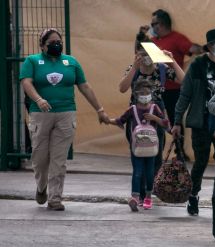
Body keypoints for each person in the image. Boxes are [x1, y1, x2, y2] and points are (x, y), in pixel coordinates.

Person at [20, 28, 109, 211]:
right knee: (40, 157)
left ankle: (55, 199)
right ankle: (41, 186)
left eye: (58, 41)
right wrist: (38, 99)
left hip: (66, 114)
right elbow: (26, 82)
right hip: (40, 114)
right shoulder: (32, 61)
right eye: (51, 42)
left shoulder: (71, 62)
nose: (56, 45)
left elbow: (84, 86)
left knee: (59, 159)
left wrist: (99, 109)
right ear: (42, 45)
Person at [171, 28, 215, 216]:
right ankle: (193, 196)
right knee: (200, 161)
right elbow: (186, 94)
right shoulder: (198, 65)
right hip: (202, 121)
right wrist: (177, 121)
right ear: (209, 47)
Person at [119, 28, 184, 205]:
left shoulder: (161, 69)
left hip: (157, 117)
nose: (146, 57)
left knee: (155, 154)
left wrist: (172, 62)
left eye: (149, 53)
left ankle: (150, 190)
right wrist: (134, 67)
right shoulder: (134, 70)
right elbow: (122, 88)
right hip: (136, 119)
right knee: (138, 153)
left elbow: (184, 82)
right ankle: (138, 193)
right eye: (142, 54)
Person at [108, 80, 170, 211]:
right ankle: (135, 197)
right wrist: (107, 120)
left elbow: (165, 124)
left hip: (152, 148)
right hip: (136, 148)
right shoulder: (133, 109)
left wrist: (155, 119)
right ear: (136, 94)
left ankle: (148, 197)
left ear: (151, 94)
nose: (144, 96)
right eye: (141, 93)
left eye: (147, 93)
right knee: (137, 171)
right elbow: (121, 120)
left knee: (149, 172)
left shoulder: (155, 108)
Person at [150, 9, 203, 159]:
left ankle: (179, 152)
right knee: (152, 118)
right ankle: (152, 150)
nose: (152, 27)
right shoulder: (152, 42)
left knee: (175, 120)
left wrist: (204, 48)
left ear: (162, 24)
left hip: (174, 89)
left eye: (154, 24)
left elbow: (192, 49)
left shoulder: (177, 39)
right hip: (155, 90)